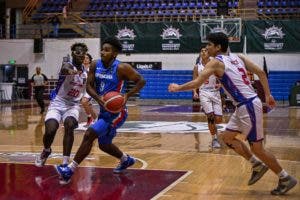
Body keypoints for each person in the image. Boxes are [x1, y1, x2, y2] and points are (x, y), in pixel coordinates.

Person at [168, 32, 297, 195]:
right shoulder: (239, 57)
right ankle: (256, 164)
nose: (207, 48)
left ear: (218, 47)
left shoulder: (216, 63)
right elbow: (261, 73)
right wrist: (268, 95)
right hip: (243, 106)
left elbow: (197, 82)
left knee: (258, 148)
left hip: (248, 105)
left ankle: (285, 177)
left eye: (209, 44)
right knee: (226, 138)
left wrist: (177, 87)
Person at [55, 37, 146, 185]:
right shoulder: (95, 64)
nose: (103, 52)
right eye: (102, 49)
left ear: (115, 53)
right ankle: (125, 159)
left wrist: (126, 95)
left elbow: (141, 80)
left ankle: (70, 169)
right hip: (104, 110)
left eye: (107, 50)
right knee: (103, 144)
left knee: (90, 134)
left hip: (117, 113)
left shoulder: (122, 67)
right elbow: (89, 86)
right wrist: (98, 98)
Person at [35, 42, 88, 167]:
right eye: (77, 52)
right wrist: (71, 72)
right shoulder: (66, 65)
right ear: (72, 53)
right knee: (50, 131)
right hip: (58, 103)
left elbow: (89, 88)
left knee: (69, 125)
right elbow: (65, 69)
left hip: (73, 105)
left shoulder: (86, 72)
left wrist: (90, 97)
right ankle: (46, 150)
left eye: (83, 53)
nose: (80, 54)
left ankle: (65, 162)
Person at [193, 47, 222, 148]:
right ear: (200, 53)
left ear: (209, 53)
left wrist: (221, 85)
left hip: (215, 92)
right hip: (204, 92)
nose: (204, 52)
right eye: (202, 50)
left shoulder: (214, 64)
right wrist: (194, 92)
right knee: (210, 117)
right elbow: (194, 80)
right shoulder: (197, 66)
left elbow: (222, 77)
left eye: (206, 50)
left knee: (218, 119)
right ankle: (214, 139)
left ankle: (215, 129)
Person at [80, 53, 97, 127]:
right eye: (84, 58)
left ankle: (89, 119)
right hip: (82, 89)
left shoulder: (92, 68)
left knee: (84, 102)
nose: (85, 59)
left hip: (90, 88)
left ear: (90, 60)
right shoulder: (80, 68)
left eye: (87, 58)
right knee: (88, 106)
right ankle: (96, 119)